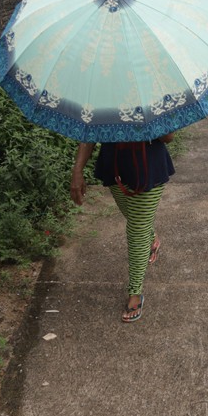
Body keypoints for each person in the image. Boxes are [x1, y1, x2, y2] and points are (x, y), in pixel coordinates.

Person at [71, 134, 175, 323]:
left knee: (137, 229)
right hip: (114, 166)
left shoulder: (150, 110)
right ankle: (152, 237)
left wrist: (147, 122)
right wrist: (77, 170)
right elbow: (90, 132)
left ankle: (135, 292)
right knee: (135, 218)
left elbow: (168, 137)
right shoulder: (103, 110)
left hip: (148, 166)